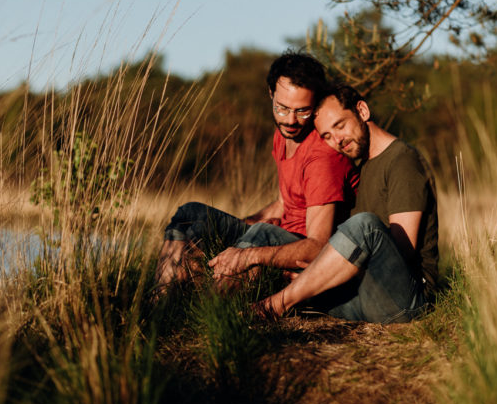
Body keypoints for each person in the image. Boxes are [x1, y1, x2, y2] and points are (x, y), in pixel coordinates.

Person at [155, 52, 358, 291]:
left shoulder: (321, 157)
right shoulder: (283, 134)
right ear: (270, 93)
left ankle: (210, 316)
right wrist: (235, 227)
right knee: (191, 214)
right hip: (275, 234)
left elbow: (318, 246)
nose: (290, 120)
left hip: (299, 258)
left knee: (262, 233)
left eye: (302, 111)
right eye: (282, 108)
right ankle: (160, 302)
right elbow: (284, 203)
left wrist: (252, 249)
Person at [251, 84, 438, 323]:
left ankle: (274, 306)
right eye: (327, 136)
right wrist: (317, 272)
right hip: (366, 295)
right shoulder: (363, 168)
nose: (337, 140)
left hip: (406, 299)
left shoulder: (402, 160)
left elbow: (403, 252)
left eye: (340, 125)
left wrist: (324, 273)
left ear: (362, 110)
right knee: (269, 232)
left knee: (365, 226)